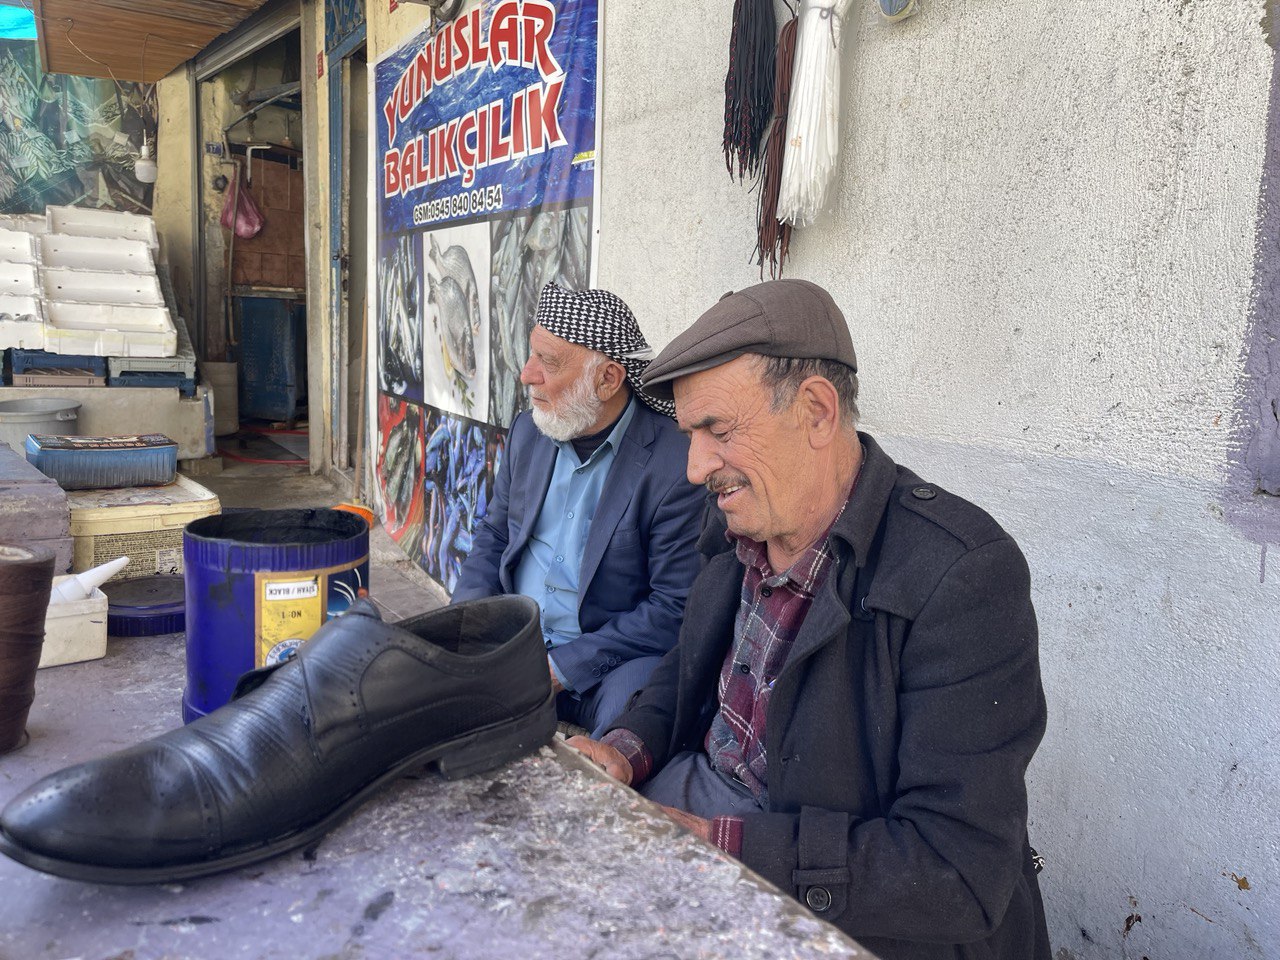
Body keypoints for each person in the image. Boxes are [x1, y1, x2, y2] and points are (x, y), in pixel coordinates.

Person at [570, 279, 1050, 959]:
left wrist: (713, 844)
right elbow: (683, 675)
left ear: (817, 412)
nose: (694, 467)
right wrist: (624, 750)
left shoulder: (962, 573)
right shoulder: (738, 519)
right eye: (689, 435)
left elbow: (957, 870)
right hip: (698, 813)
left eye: (717, 430)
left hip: (825, 893)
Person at [452, 283, 705, 738]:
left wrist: (558, 668)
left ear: (608, 379)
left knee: (630, 723)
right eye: (532, 355)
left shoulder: (673, 466)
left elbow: (674, 608)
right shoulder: (530, 433)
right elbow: (493, 534)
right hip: (513, 642)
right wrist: (462, 627)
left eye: (547, 363)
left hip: (605, 665)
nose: (527, 375)